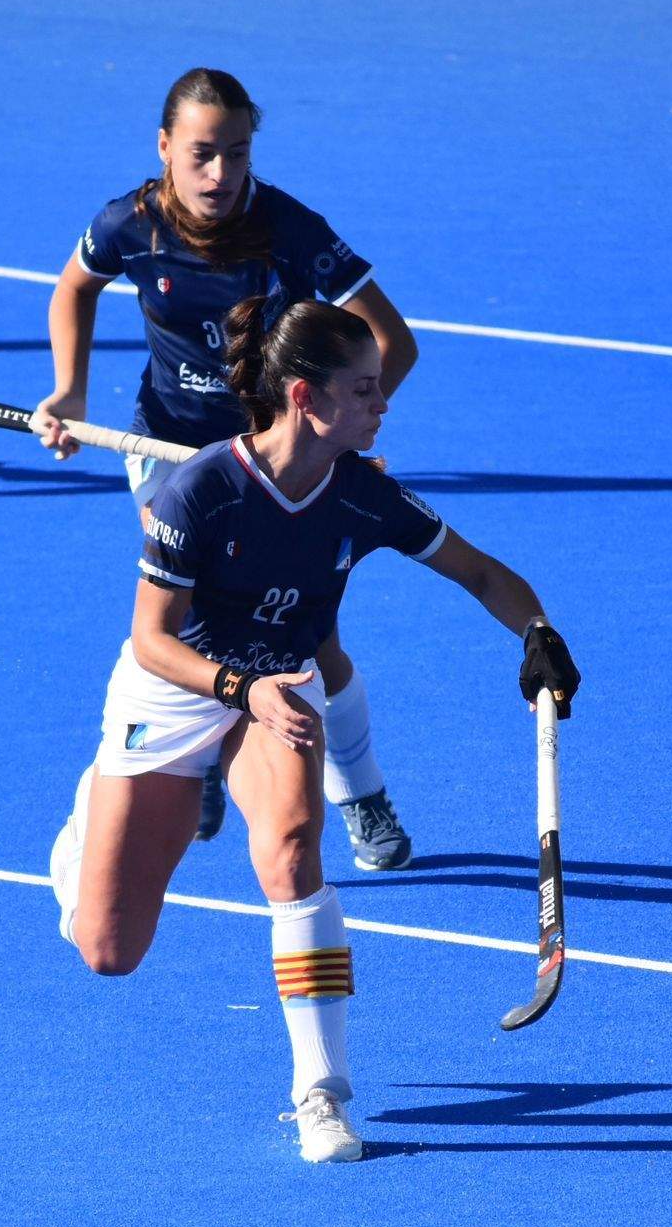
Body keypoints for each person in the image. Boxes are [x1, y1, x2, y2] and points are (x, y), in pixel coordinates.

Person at [47, 297, 578, 1162]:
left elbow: (481, 573)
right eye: (364, 389)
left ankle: (322, 1096)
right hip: (176, 688)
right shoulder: (201, 490)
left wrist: (539, 634)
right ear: (305, 396)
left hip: (283, 686)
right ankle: (88, 829)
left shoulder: (364, 496)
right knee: (109, 951)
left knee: (294, 851)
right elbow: (151, 639)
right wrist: (238, 687)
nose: (383, 403)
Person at [32, 68, 424, 868]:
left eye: (237, 154)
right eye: (202, 154)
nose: (220, 174)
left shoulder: (290, 230)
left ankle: (362, 792)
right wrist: (69, 390)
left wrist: (339, 433)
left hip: (272, 464)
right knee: (190, 616)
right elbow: (74, 289)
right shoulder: (128, 225)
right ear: (164, 146)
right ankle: (205, 753)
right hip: (168, 455)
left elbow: (394, 341)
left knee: (311, 640)